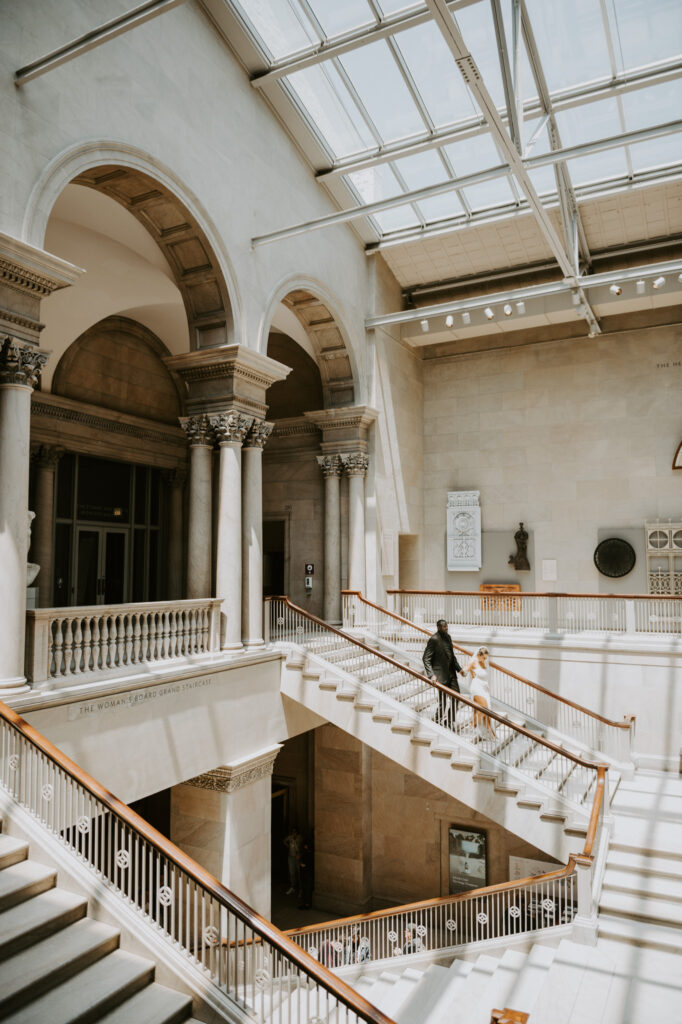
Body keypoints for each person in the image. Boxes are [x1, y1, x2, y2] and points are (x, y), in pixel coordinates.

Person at [422, 619, 463, 727]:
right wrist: (431, 675)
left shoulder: (448, 637)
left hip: (451, 674)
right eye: (444, 626)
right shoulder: (434, 639)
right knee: (443, 702)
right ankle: (436, 719)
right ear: (439, 627)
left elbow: (452, 656)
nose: (446, 628)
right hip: (440, 676)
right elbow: (426, 658)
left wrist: (459, 669)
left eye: (447, 626)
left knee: (457, 697)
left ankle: (449, 720)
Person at [463, 646, 496, 740]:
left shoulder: (484, 664)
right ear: (479, 655)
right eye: (484, 657)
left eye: (486, 658)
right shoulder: (473, 662)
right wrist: (468, 671)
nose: (485, 659)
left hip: (484, 688)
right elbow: (464, 671)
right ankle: (472, 725)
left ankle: (490, 731)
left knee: (487, 709)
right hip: (476, 687)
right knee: (484, 708)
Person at [283, 826, 302, 895]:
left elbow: (302, 845)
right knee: (292, 873)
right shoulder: (290, 837)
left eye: (295, 832)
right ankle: (293, 887)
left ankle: (301, 889)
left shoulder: (300, 837)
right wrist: (288, 846)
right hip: (291, 856)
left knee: (299, 873)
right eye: (293, 832)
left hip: (298, 857)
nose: (294, 833)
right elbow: (284, 841)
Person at [298, 835, 314, 909]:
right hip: (308, 873)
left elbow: (304, 864)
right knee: (307, 889)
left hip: (306, 874)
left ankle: (306, 904)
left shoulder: (307, 854)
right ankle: (307, 903)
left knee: (306, 889)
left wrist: (301, 862)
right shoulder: (310, 853)